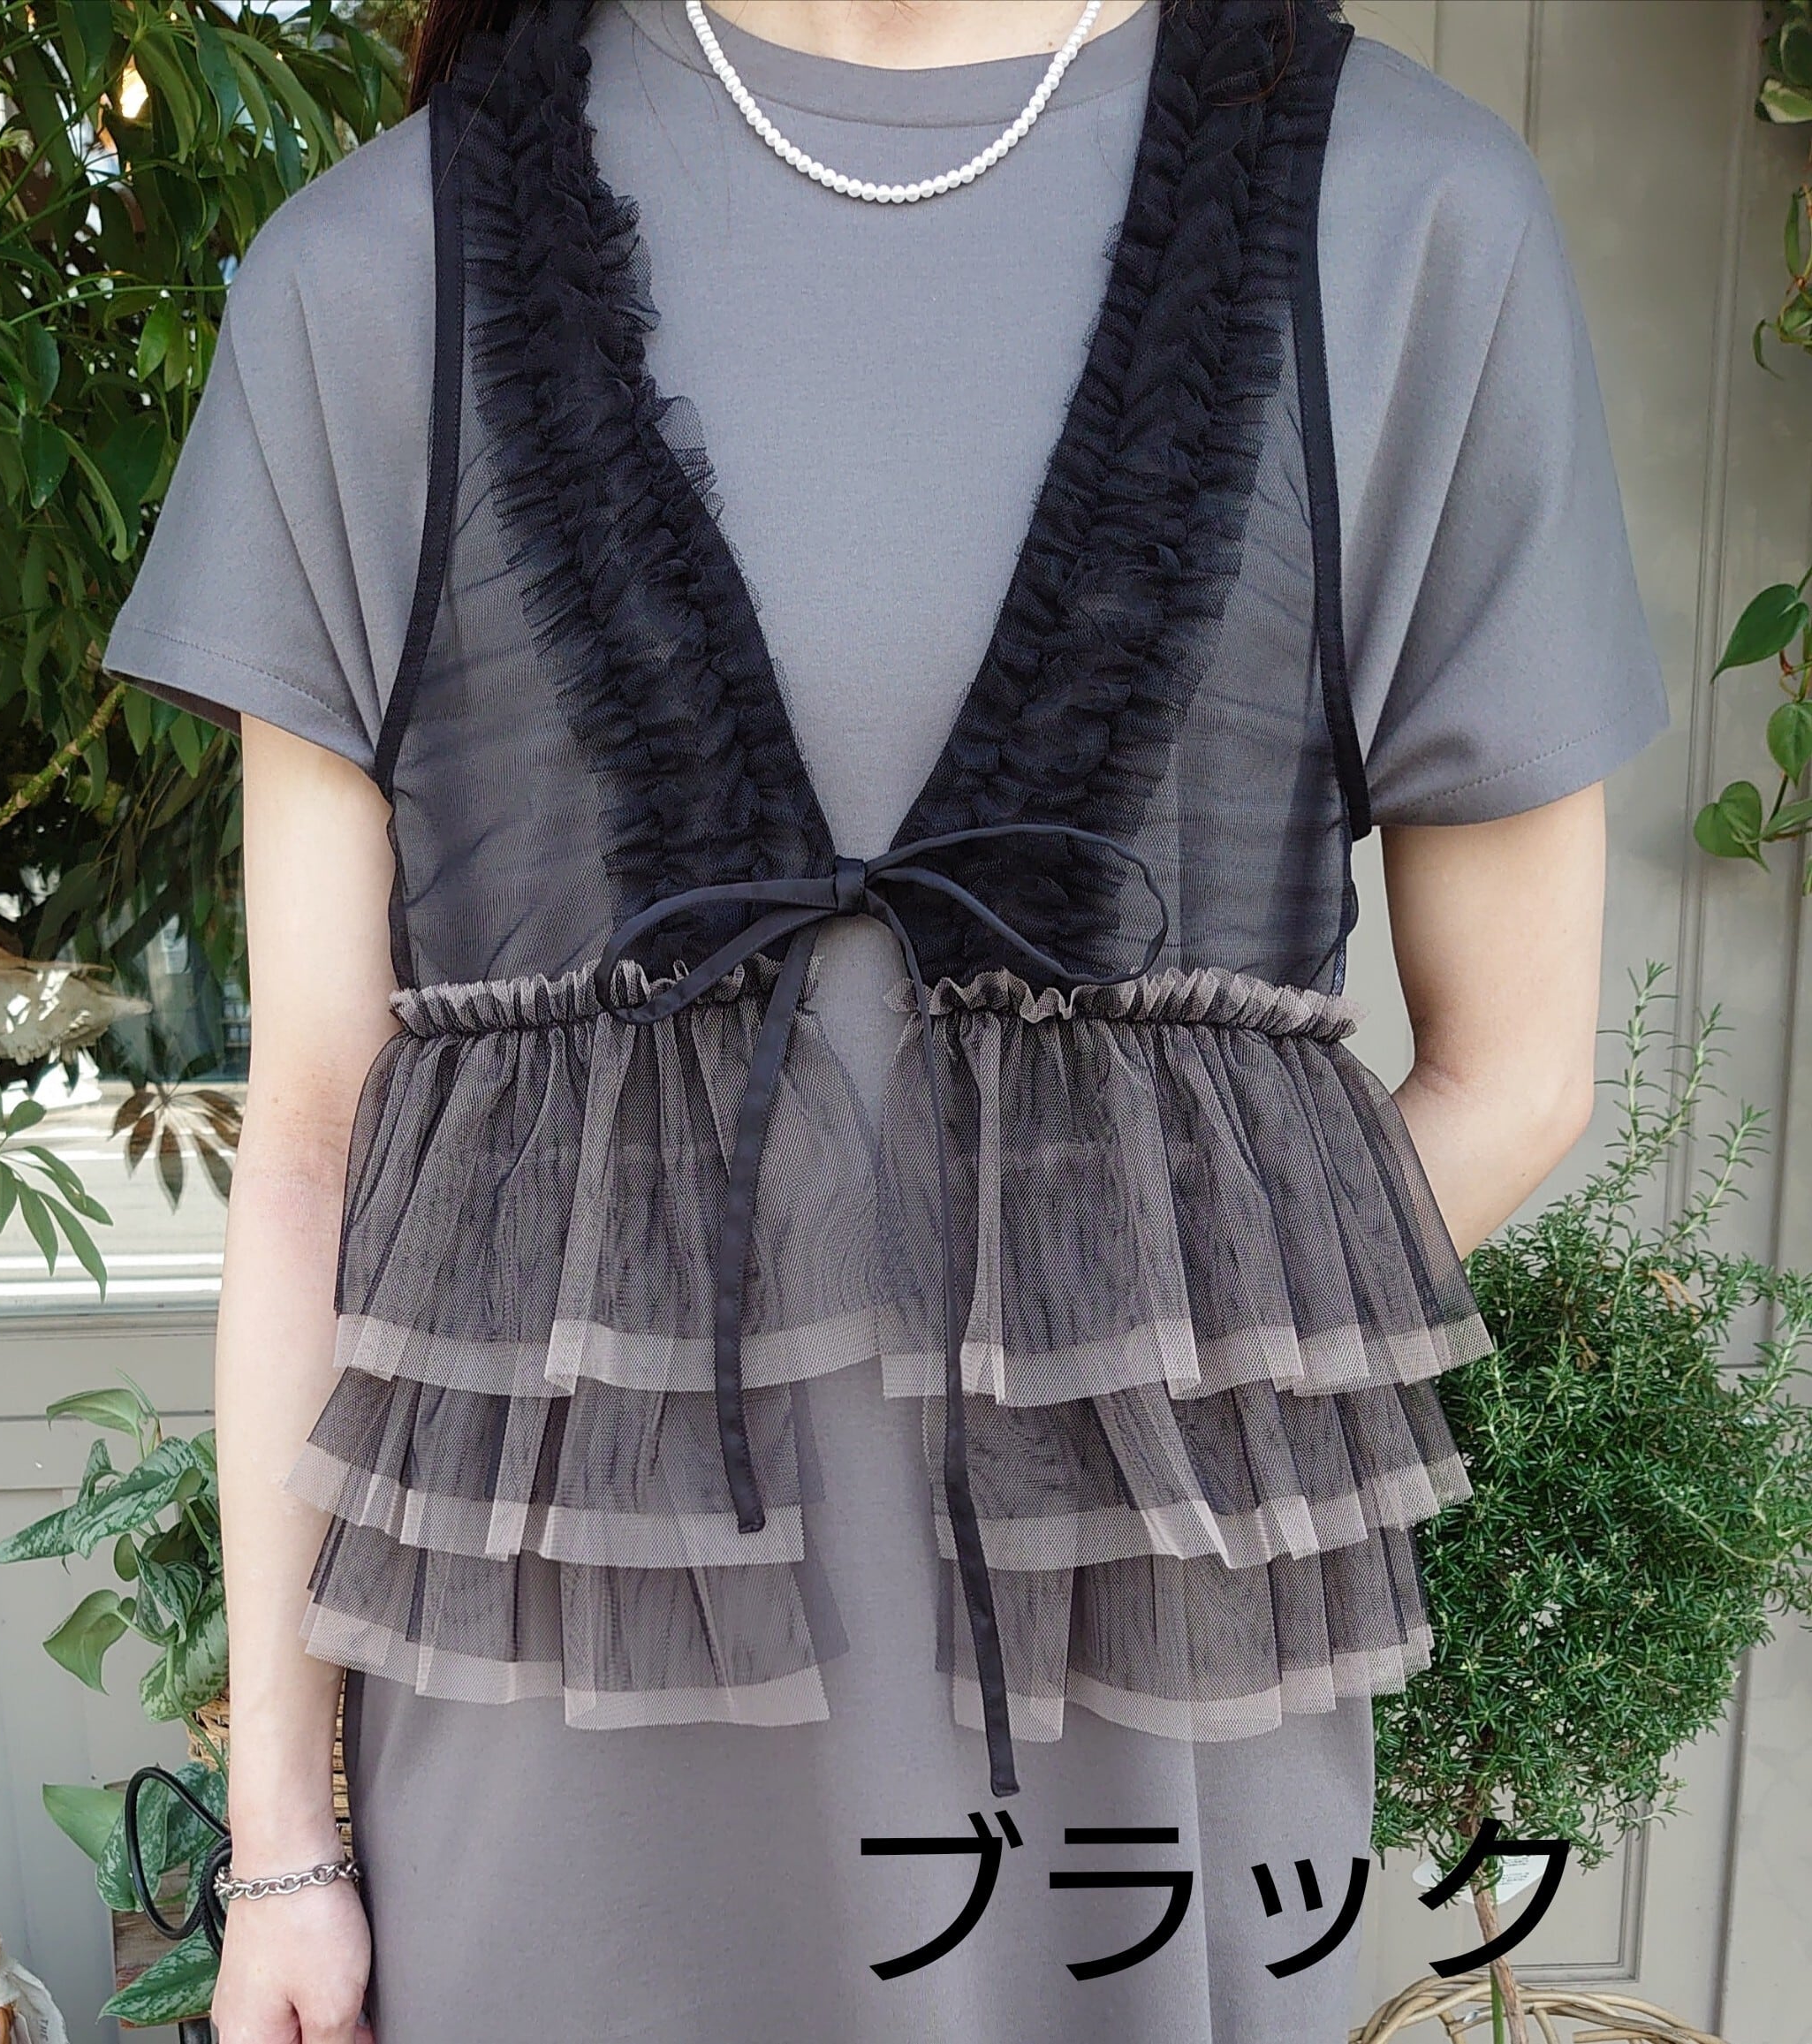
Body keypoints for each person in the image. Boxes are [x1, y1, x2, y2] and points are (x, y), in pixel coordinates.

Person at [101, 1, 1672, 2037]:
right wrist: (283, 1846)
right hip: (557, 1777)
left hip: (1127, 1734)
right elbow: (312, 1147)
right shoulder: (371, 276)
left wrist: (1084, 1366)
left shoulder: (1408, 222)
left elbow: (1520, 1072)